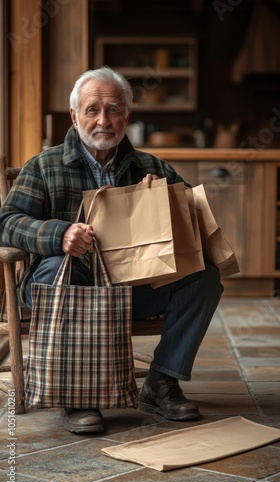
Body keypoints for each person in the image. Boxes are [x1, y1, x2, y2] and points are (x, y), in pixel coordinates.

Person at [0, 66, 223, 433]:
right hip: (66, 284)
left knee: (204, 276)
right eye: (92, 110)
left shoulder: (152, 166)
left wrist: (165, 202)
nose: (104, 120)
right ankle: (78, 394)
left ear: (126, 115)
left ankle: (161, 382)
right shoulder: (43, 166)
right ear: (74, 116)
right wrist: (59, 234)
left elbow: (192, 232)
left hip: (135, 289)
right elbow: (7, 222)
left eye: (114, 110)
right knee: (58, 262)